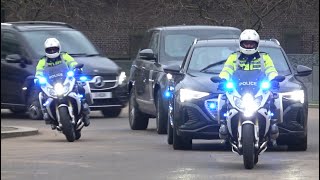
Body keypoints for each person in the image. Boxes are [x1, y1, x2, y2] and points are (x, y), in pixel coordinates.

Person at [218, 29, 279, 140]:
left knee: (272, 99)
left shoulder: (264, 57)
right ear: (241, 44)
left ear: (257, 44)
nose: (249, 46)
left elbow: (271, 70)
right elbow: (226, 70)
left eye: (251, 44)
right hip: (239, 88)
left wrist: (274, 79)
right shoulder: (234, 57)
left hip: (258, 88)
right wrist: (222, 80)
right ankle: (223, 125)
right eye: (246, 43)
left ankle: (273, 125)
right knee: (224, 100)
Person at [35, 37, 90, 127]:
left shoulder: (64, 56)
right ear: (46, 50)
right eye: (50, 50)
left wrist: (76, 68)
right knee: (41, 96)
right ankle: (47, 115)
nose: (52, 51)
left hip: (65, 80)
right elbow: (39, 71)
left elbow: (72, 63)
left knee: (80, 86)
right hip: (52, 83)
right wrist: (38, 78)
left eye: (54, 49)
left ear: (59, 48)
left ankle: (85, 111)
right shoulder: (43, 61)